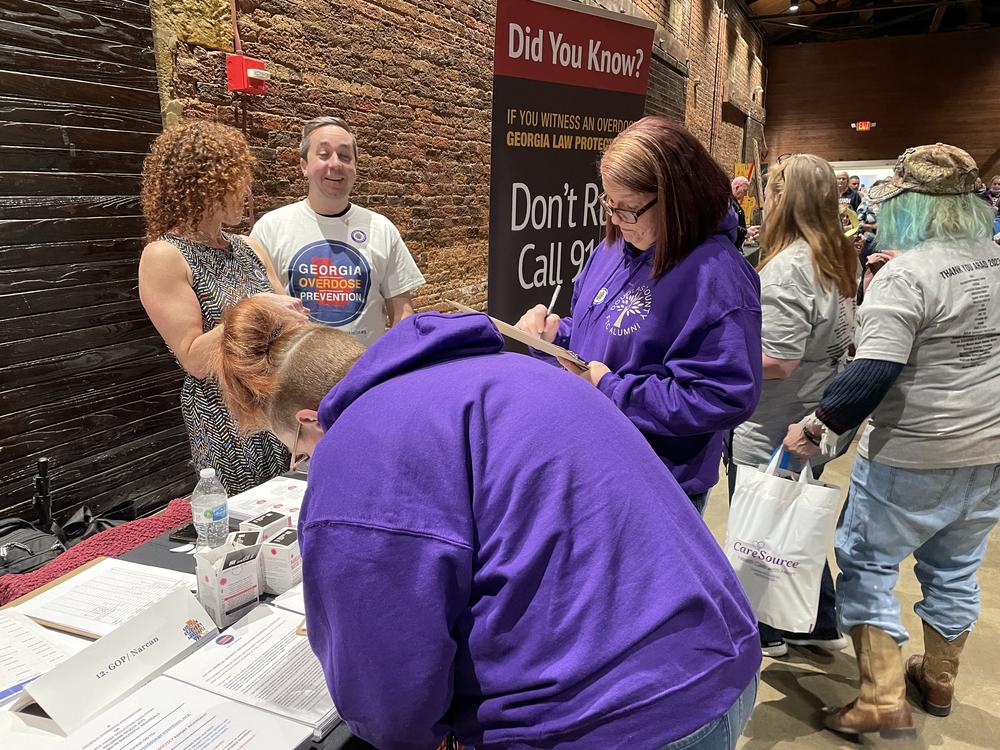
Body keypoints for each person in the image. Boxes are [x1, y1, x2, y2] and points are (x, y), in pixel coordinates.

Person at [214, 297, 762, 750]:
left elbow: (386, 683)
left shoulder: (359, 439)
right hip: (722, 661)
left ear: (311, 420)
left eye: (300, 453)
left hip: (611, 722)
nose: (308, 465)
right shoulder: (517, 371)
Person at [783, 144, 1000, 738]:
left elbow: (873, 372)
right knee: (956, 568)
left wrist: (816, 426)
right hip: (990, 452)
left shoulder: (908, 275)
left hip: (913, 451)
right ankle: (939, 677)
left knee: (867, 561)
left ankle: (880, 695)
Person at [515, 117, 763, 515]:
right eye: (609, 205)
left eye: (627, 209)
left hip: (657, 483)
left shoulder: (718, 277)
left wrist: (614, 390)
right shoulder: (615, 248)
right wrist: (557, 335)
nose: (614, 220)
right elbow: (603, 330)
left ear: (678, 198)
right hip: (596, 457)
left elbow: (723, 395)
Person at [731, 154, 859, 658]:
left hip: (774, 421)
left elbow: (777, 359)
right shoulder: (835, 254)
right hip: (814, 413)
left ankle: (768, 629)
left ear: (783, 198)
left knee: (760, 528)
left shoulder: (786, 269)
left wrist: (715, 356)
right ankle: (819, 621)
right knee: (791, 520)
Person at [138, 120, 302, 494]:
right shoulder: (165, 256)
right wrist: (255, 307)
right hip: (225, 416)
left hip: (276, 401)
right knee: (247, 521)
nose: (246, 191)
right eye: (235, 180)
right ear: (202, 185)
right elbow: (194, 358)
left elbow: (289, 323)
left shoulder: (249, 247)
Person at [251, 115, 425, 346]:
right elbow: (253, 310)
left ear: (354, 167)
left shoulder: (381, 228)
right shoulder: (270, 228)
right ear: (304, 165)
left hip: (364, 372)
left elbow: (401, 311)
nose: (335, 164)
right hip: (292, 374)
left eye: (345, 156)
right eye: (323, 155)